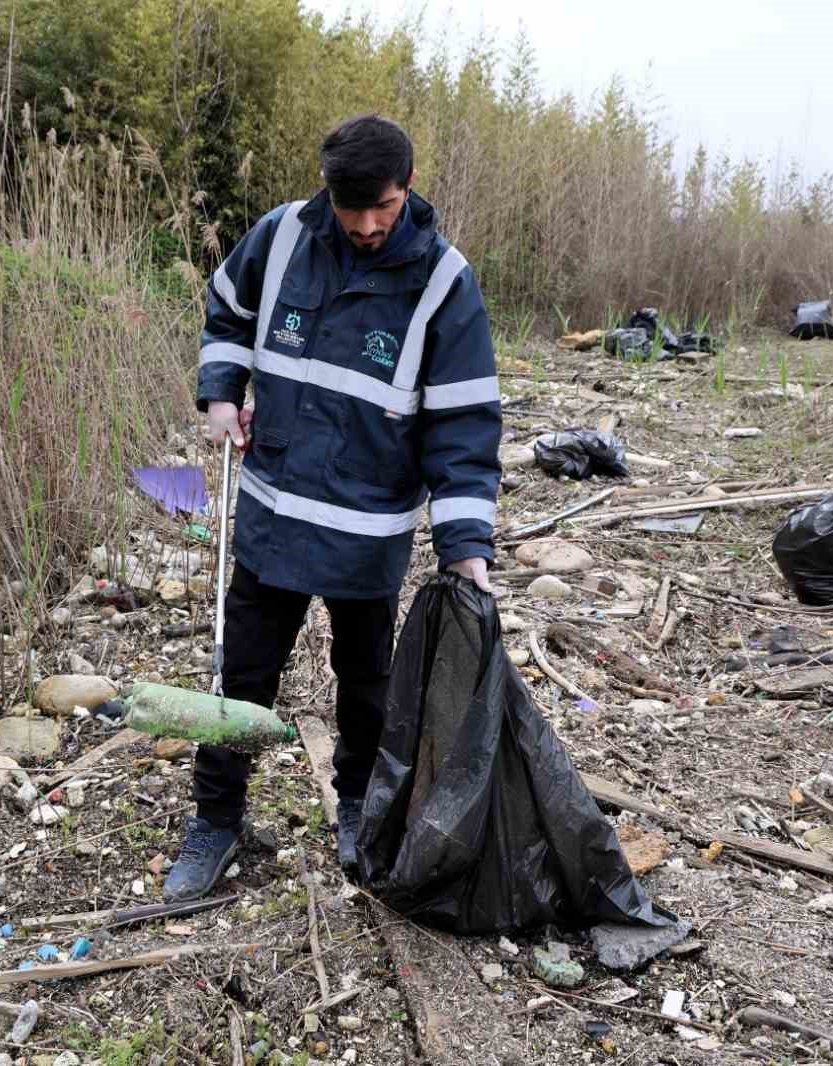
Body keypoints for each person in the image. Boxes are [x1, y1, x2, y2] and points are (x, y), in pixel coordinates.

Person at [164, 114, 502, 901]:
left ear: (406, 191)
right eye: (351, 210)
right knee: (238, 675)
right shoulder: (282, 236)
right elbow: (227, 312)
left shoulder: (444, 282)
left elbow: (464, 422)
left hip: (366, 532)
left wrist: (466, 545)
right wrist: (221, 394)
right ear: (329, 192)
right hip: (274, 517)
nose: (364, 225)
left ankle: (358, 807)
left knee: (366, 684)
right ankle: (217, 820)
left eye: (380, 208)